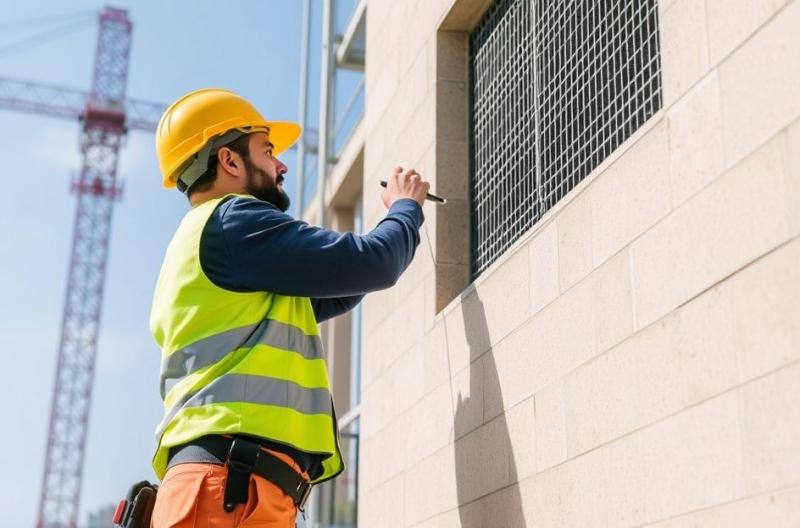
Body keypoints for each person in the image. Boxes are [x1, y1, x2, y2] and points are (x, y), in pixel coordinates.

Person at [148, 88, 429, 527]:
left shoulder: (214, 242)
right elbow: (372, 262)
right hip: (230, 489)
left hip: (235, 489)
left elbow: (343, 279)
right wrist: (406, 208)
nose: (281, 166)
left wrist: (376, 243)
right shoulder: (234, 220)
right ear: (229, 161)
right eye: (267, 150)